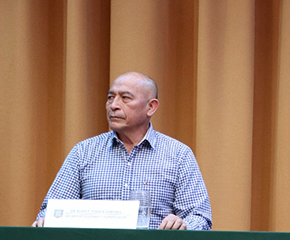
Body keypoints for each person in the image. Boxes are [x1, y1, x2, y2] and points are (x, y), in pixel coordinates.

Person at [33, 72, 212, 230]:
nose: (114, 106)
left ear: (151, 107)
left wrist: (182, 225)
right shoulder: (83, 152)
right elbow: (51, 211)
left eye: (125, 98)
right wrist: (44, 220)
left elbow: (200, 217)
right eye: (110, 98)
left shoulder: (178, 154)